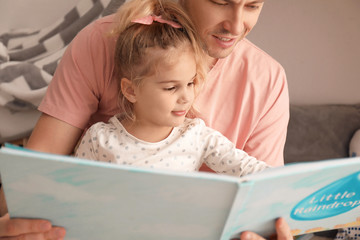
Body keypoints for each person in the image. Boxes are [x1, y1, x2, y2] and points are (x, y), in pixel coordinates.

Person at [0, 0, 291, 239]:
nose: (237, 26)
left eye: (253, 5)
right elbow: (40, 179)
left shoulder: (263, 84)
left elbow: (266, 192)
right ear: (130, 89)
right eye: (220, 2)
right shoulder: (101, 48)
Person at [75, 0, 268, 178]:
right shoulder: (99, 140)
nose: (186, 97)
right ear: (131, 90)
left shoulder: (197, 136)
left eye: (191, 83)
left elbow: (251, 169)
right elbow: (71, 188)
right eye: (171, 88)